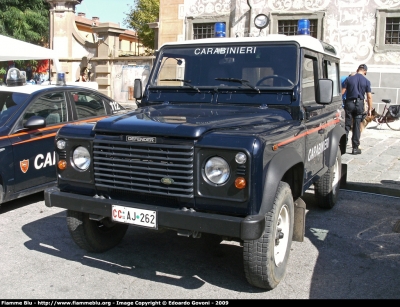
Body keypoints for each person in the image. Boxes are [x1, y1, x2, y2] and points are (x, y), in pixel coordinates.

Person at [341, 64, 373, 155]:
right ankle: (355, 148)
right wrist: (370, 109)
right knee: (356, 126)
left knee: (347, 125)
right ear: (365, 72)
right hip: (359, 104)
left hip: (349, 103)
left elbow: (342, 92)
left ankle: (343, 146)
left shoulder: (349, 79)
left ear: (357, 69)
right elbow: (369, 97)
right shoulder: (366, 81)